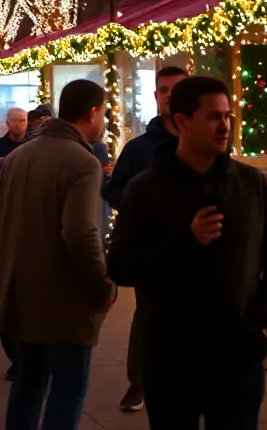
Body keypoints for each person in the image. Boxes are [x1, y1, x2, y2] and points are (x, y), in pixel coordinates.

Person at [108, 76, 267, 430]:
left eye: (227, 116)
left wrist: (259, 315)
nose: (224, 126)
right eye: (213, 117)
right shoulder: (146, 189)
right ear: (183, 122)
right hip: (170, 358)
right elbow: (122, 267)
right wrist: (185, 241)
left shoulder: (251, 185)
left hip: (238, 356)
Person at [0, 79, 117, 430]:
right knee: (67, 391)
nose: (104, 120)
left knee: (27, 385)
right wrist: (103, 285)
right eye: (104, 113)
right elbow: (80, 233)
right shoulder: (84, 162)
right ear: (92, 112)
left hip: (22, 297)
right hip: (66, 301)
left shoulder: (17, 157)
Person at [101, 65, 187, 413]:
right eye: (163, 90)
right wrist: (142, 208)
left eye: (176, 89)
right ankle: (139, 382)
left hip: (198, 245)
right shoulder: (138, 149)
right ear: (155, 96)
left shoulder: (200, 141)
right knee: (149, 311)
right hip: (152, 246)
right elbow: (114, 190)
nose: (168, 96)